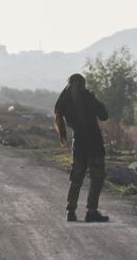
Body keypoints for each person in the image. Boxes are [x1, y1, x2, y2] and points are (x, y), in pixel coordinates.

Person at [54, 73, 110, 223]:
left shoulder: (64, 102)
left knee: (76, 179)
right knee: (96, 177)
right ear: (83, 84)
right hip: (94, 144)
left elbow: (60, 119)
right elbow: (104, 115)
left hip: (78, 144)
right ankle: (91, 211)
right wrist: (97, 100)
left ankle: (70, 211)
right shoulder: (88, 97)